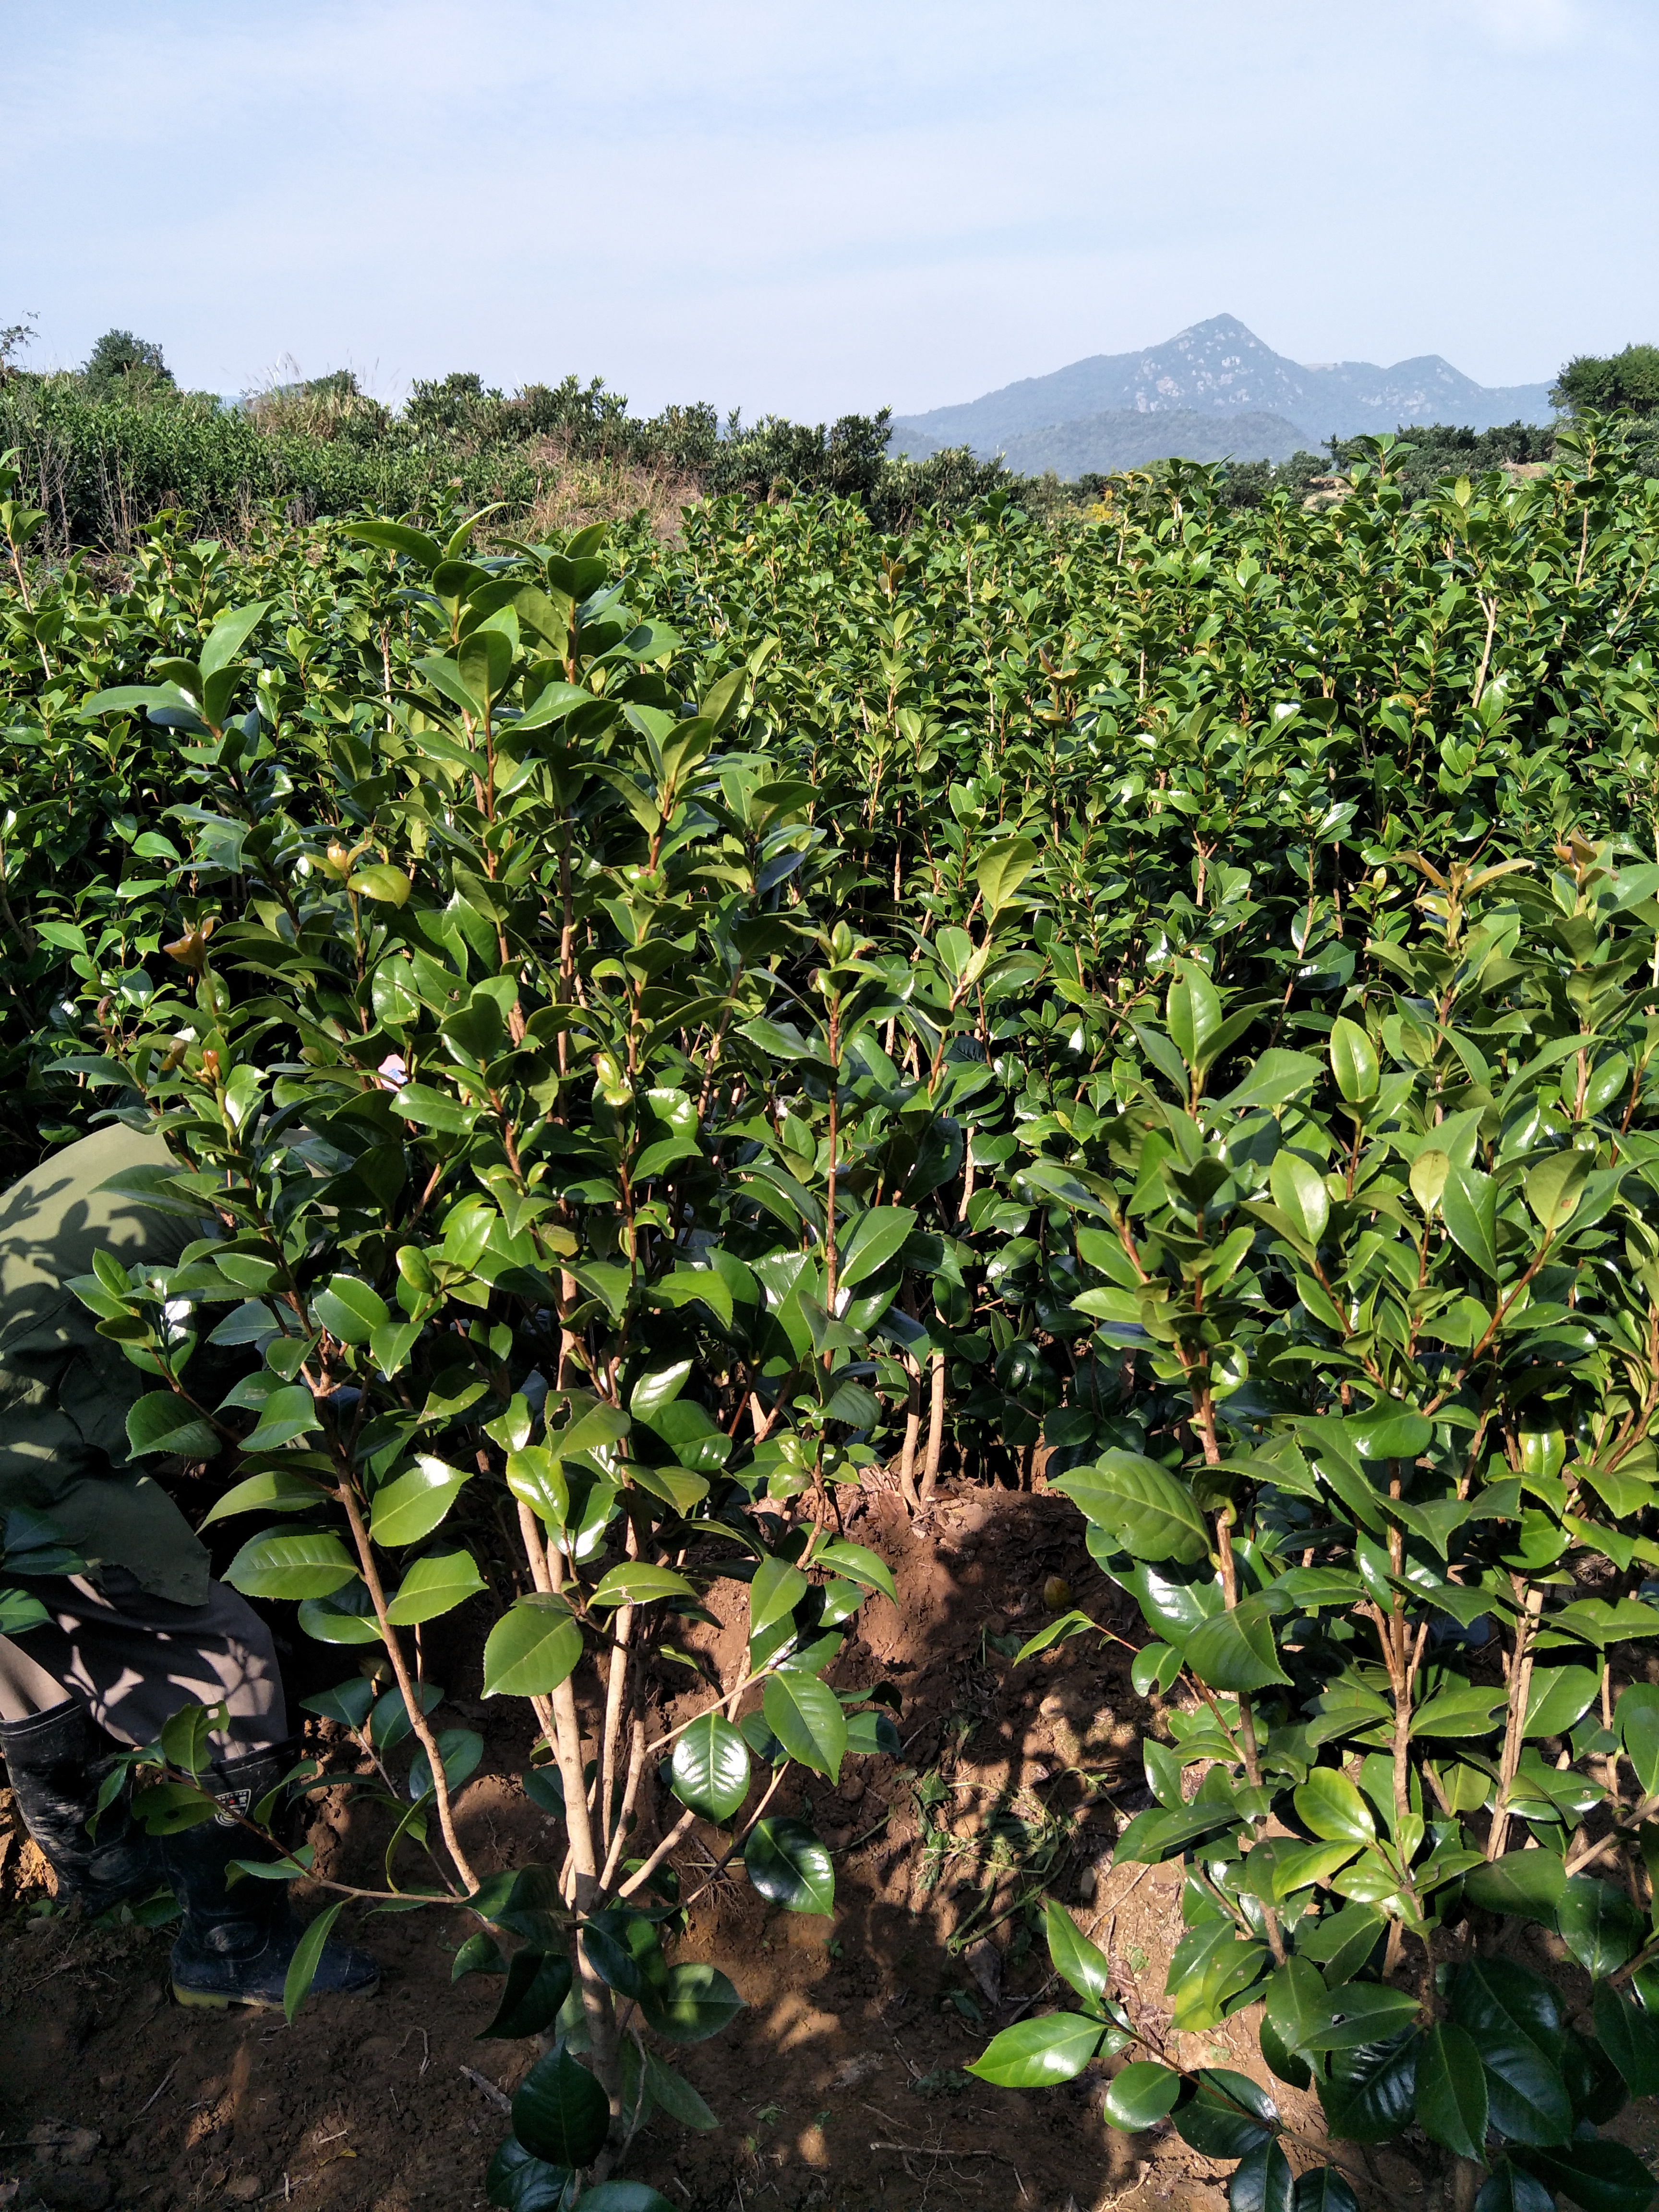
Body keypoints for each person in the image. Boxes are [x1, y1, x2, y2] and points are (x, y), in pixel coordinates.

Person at [0, 1122, 376, 2008]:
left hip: (17, 1389)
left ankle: (105, 1869)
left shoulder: (137, 1134)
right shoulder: (282, 1189)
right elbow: (282, 1363)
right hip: (24, 1437)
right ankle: (231, 1945)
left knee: (28, 1632)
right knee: (221, 1655)